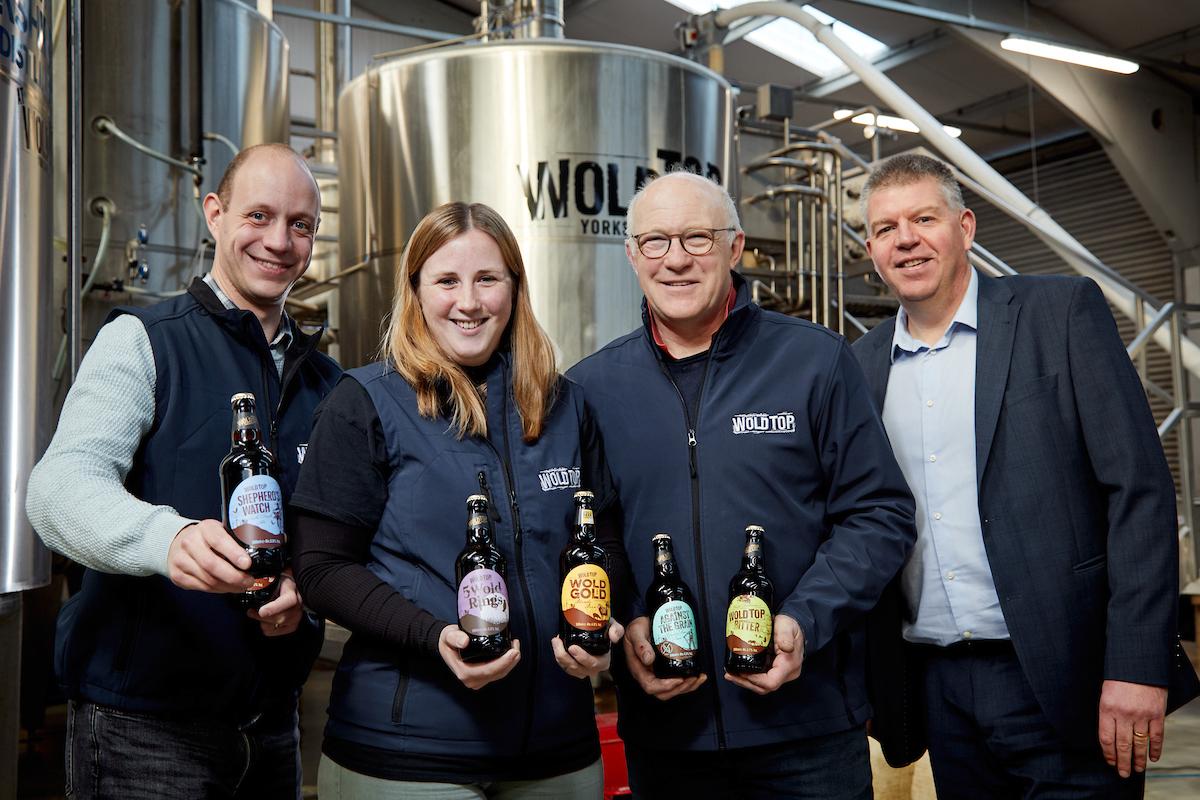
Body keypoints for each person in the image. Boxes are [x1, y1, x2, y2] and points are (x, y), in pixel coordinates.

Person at [853, 152, 1200, 797]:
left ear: (966, 227)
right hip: (937, 688)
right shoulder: (861, 366)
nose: (905, 239)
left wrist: (1136, 665)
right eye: (884, 228)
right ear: (871, 248)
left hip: (1068, 676)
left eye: (924, 218)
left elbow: (1140, 495)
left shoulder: (1060, 314)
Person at [565, 170, 917, 799]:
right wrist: (631, 622)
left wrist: (806, 622)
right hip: (668, 736)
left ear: (734, 247)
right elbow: (593, 531)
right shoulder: (592, 388)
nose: (675, 260)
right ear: (631, 255)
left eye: (697, 239)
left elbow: (879, 515)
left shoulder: (814, 361)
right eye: (655, 242)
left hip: (807, 732)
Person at [25, 143, 341, 798]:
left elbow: (331, 535)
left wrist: (304, 593)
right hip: (144, 730)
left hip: (273, 726)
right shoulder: (143, 340)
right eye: (258, 215)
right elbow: (60, 489)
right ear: (214, 213)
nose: (279, 241)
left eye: (300, 224)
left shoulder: (326, 383)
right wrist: (163, 539)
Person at [289, 201, 625, 799]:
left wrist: (606, 623)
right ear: (416, 291)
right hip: (409, 754)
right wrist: (430, 636)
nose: (468, 302)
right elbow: (321, 568)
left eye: (487, 279)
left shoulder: (566, 407)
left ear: (515, 289)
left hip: (558, 748)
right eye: (447, 280)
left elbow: (605, 543)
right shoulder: (364, 402)